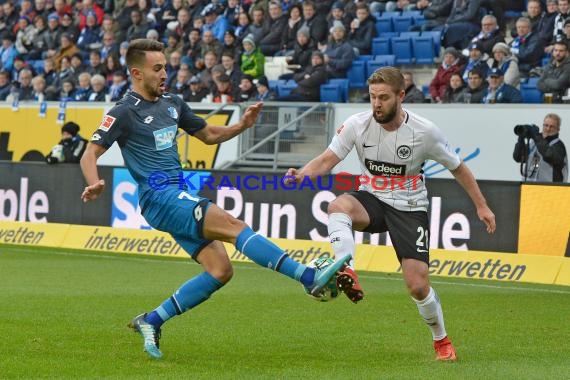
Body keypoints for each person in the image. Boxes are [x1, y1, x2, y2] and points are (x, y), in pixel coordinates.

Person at [79, 39, 349, 359]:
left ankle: (152, 320)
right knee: (234, 224)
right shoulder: (123, 112)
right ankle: (307, 278)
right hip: (158, 196)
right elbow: (89, 153)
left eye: (166, 66)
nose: (165, 72)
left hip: (178, 194)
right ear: (137, 73)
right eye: (157, 68)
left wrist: (243, 125)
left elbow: (209, 135)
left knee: (220, 270)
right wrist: (94, 182)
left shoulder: (173, 103)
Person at [285, 66, 496, 362]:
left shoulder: (425, 132)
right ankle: (347, 269)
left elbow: (458, 168)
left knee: (418, 285)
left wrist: (482, 206)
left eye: (383, 98)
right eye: (372, 97)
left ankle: (441, 340)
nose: (376, 104)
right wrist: (302, 174)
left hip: (410, 208)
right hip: (371, 199)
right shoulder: (357, 125)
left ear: (400, 96)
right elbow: (326, 160)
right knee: (337, 206)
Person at [513, 113, 568, 182]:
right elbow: (518, 157)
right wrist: (521, 138)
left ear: (558, 129)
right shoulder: (534, 144)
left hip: (551, 189)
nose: (548, 129)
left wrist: (536, 136)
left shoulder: (559, 145)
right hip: (529, 188)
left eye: (552, 126)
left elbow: (548, 155)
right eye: (546, 125)